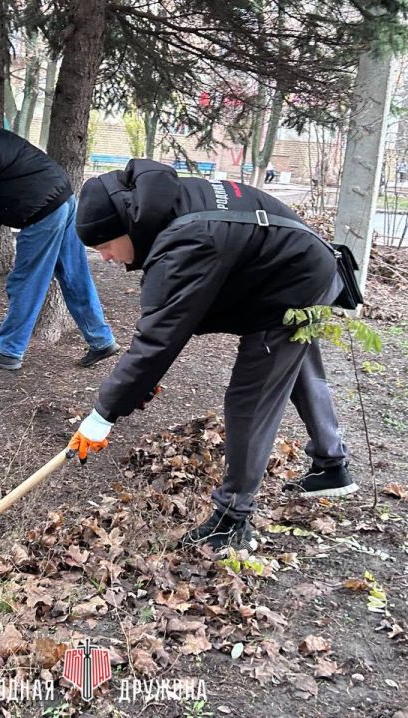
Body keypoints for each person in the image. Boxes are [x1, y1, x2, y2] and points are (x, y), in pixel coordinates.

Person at [67, 159, 356, 550]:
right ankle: (332, 464)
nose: (105, 257)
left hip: (291, 281)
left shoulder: (184, 240)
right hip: (300, 266)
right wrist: (139, 385)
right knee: (297, 365)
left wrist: (103, 414)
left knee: (250, 396)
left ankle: (232, 519)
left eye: (104, 245)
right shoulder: (168, 203)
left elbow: (157, 339)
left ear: (126, 224)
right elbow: (172, 324)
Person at [0, 122, 119, 371]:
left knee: (26, 281)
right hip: (64, 199)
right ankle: (101, 340)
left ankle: (8, 351)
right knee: (74, 274)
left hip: (43, 212)